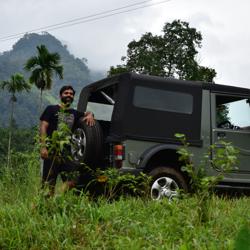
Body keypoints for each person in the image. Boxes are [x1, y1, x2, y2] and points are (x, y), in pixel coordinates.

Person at [40, 85, 95, 196]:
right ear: (61, 95)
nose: (69, 95)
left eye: (71, 94)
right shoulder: (51, 109)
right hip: (52, 150)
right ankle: (45, 205)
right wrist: (43, 147)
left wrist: (90, 115)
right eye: (66, 93)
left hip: (67, 153)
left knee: (73, 180)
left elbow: (88, 113)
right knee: (49, 182)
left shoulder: (74, 113)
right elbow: (43, 127)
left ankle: (56, 197)